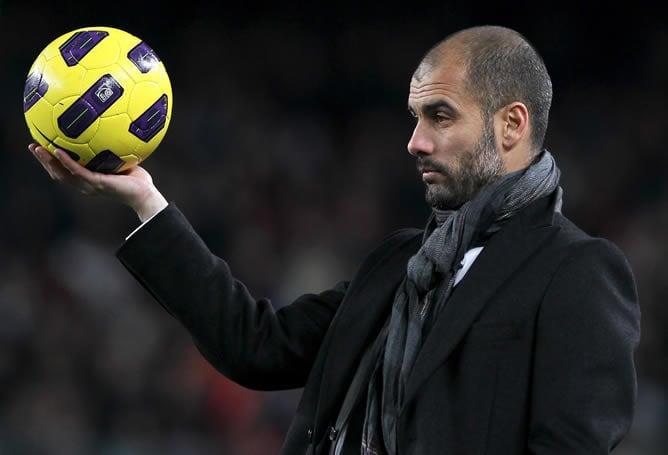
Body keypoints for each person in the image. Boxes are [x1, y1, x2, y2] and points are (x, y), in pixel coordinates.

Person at [29, 24, 641, 454]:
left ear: (512, 124)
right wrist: (143, 199)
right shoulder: (401, 262)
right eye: (415, 117)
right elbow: (256, 346)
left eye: (441, 116)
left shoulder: (577, 271)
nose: (416, 142)